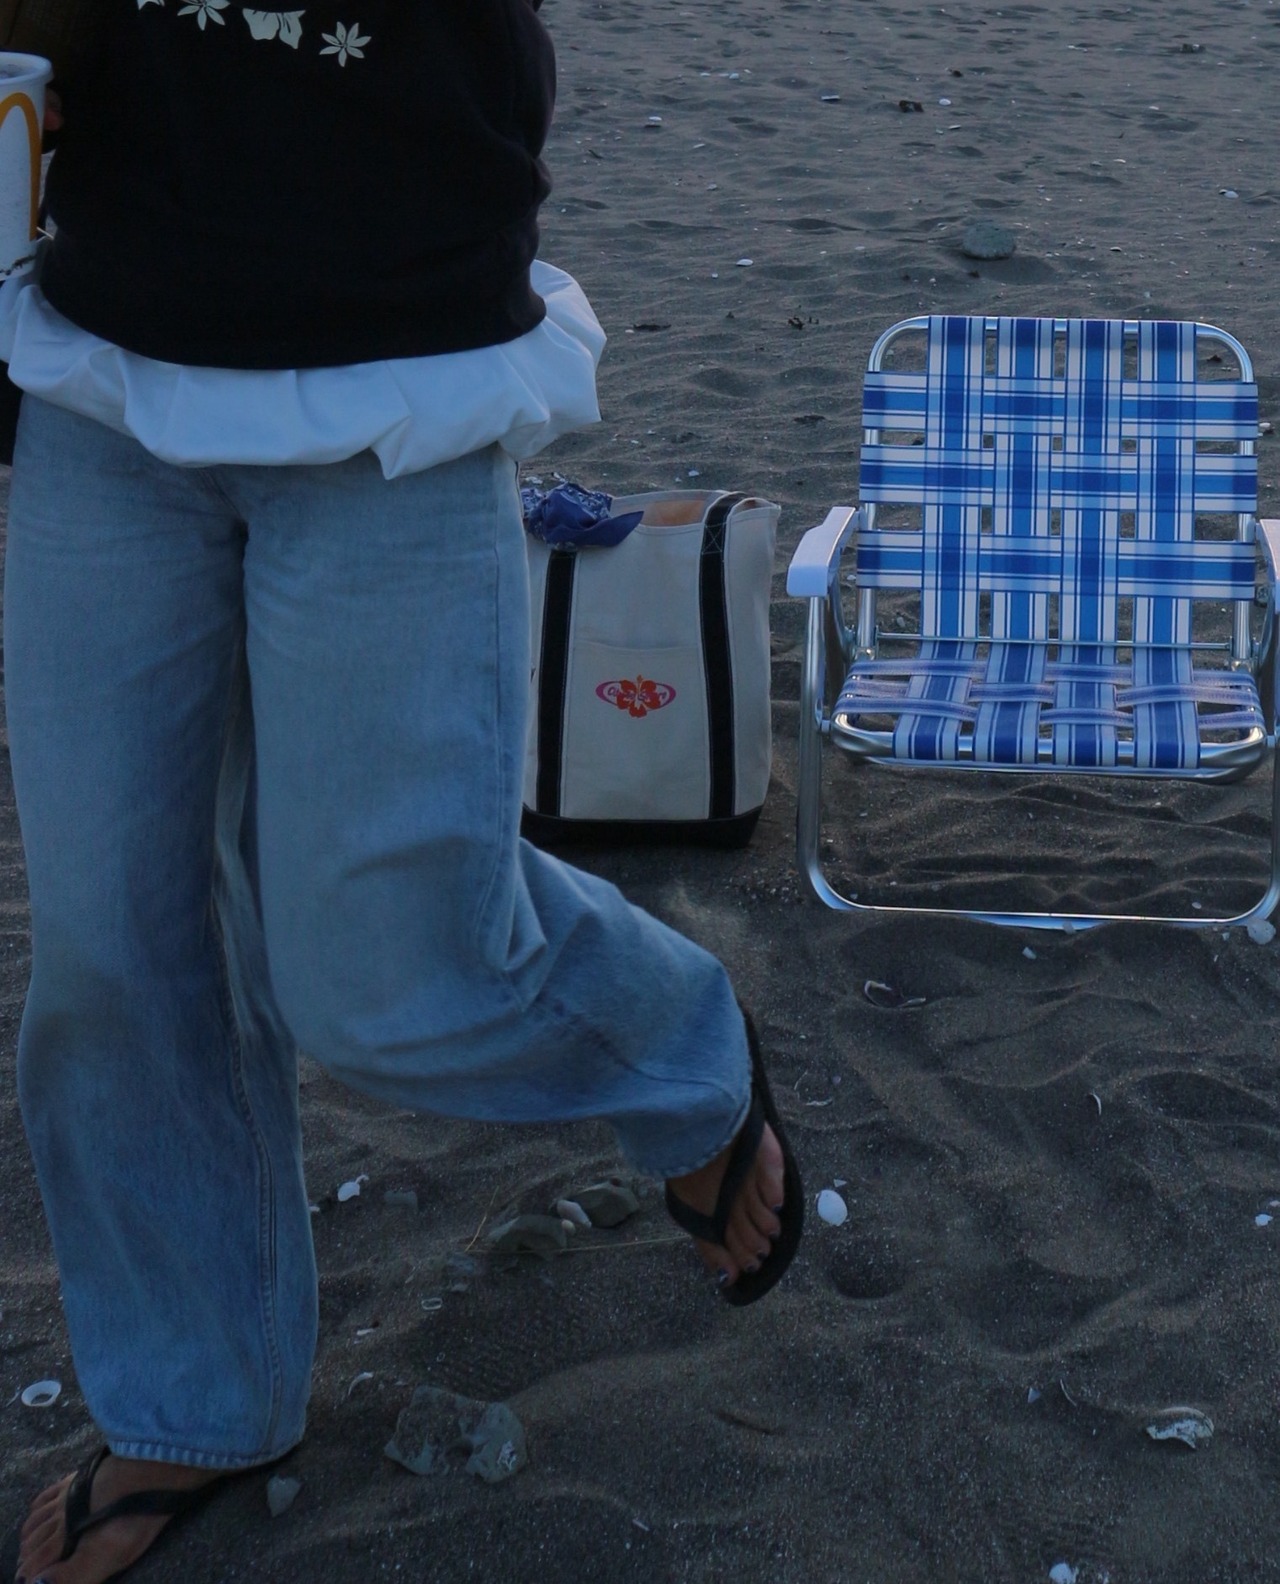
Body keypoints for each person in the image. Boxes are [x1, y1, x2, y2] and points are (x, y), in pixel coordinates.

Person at [0, 5, 803, 1583]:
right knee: (115, 949)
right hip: (104, 352)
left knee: (396, 963)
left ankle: (684, 1052)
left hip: (401, 350)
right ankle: (196, 1398)